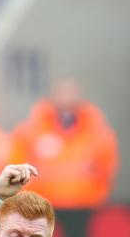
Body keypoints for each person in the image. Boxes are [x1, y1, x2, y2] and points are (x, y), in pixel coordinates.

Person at [9, 78, 119, 208]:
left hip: (86, 208)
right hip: (40, 210)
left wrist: (94, 193)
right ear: (52, 95)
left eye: (70, 91)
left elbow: (106, 172)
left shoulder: (99, 133)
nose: (66, 97)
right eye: (62, 91)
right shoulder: (29, 131)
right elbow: (17, 169)